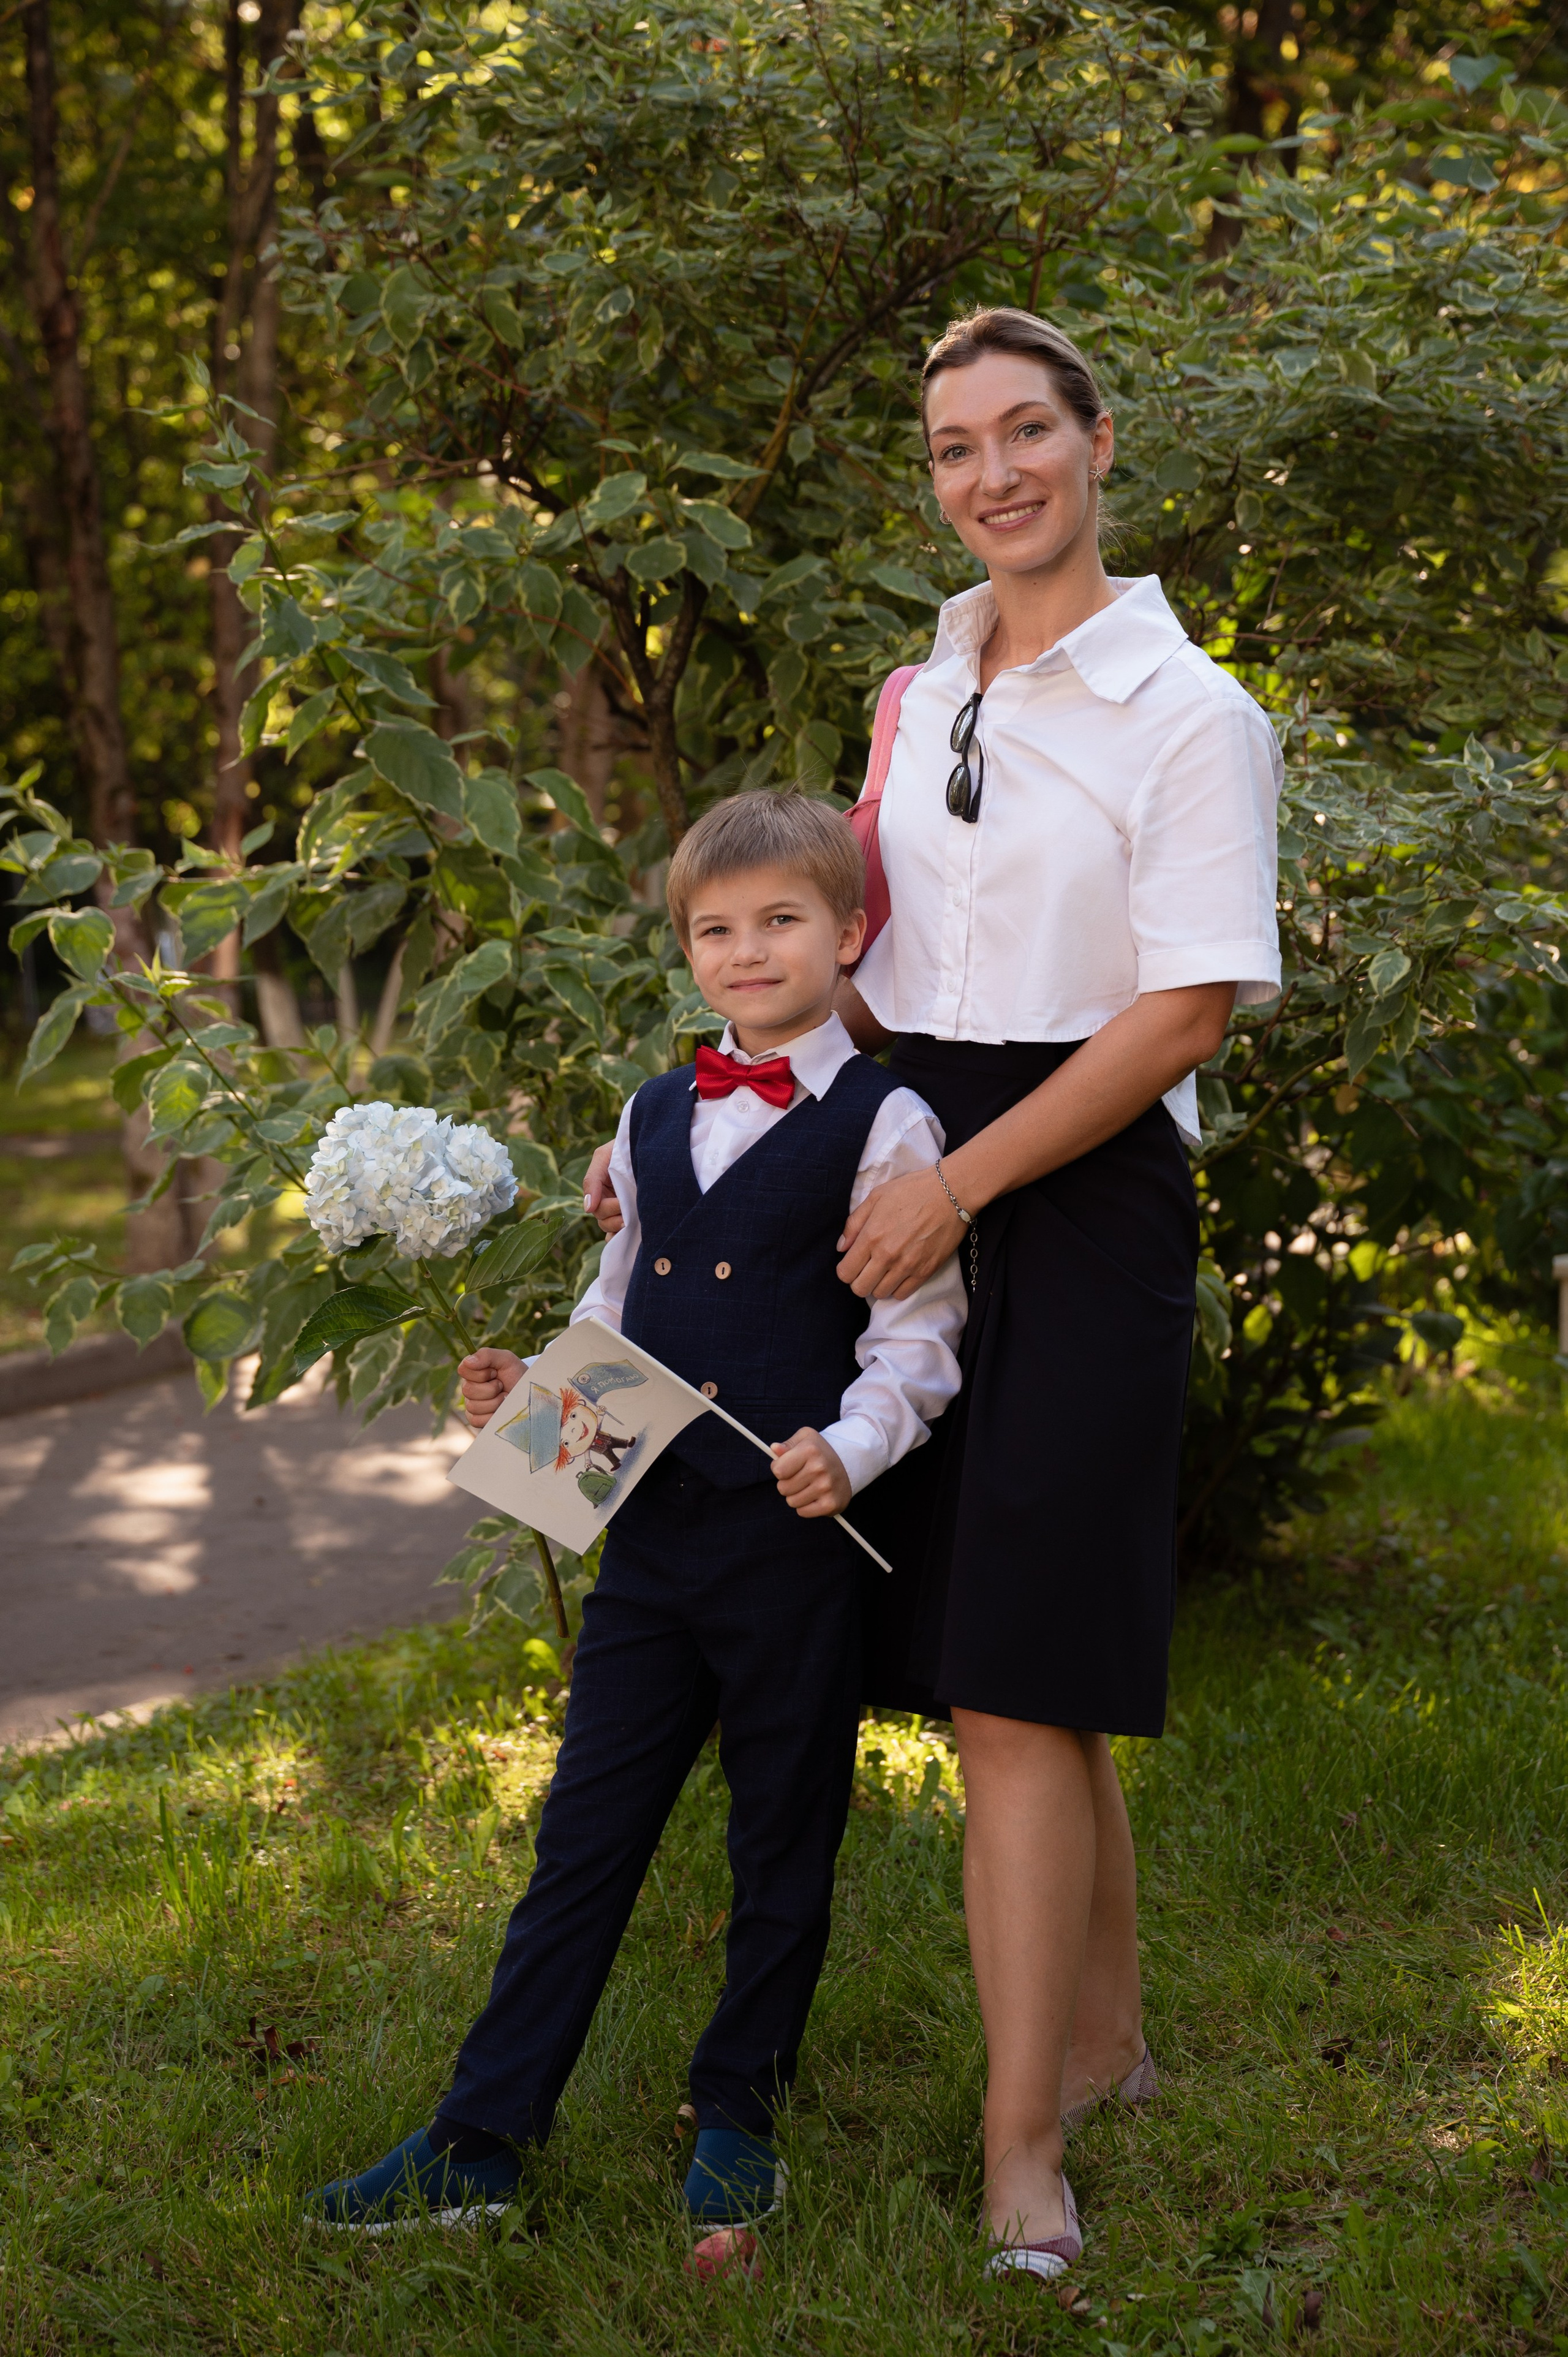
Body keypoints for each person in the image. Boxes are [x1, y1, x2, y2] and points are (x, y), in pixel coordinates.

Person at [586, 308, 1281, 2282]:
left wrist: (960, 1186)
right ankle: (1110, 2039)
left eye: (1029, 432)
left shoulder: (1186, 708)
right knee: (1020, 1672)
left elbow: (1188, 1006)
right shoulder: (918, 689)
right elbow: (856, 965)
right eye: (959, 445)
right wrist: (712, 1140)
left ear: (1097, 441)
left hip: (1075, 1186)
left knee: (1008, 1680)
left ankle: (1021, 2147)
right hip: (903, 1153)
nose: (996, 473)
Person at [306, 792, 965, 2256]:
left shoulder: (886, 1120)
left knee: (782, 1834)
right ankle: (480, 2136)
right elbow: (620, 1318)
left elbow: (913, 1339)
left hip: (792, 1547)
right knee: (581, 1835)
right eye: (714, 930)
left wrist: (849, 1454)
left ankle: (738, 2110)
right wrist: (524, 1395)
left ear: (847, 934)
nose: (746, 952)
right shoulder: (651, 1112)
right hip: (652, 1550)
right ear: (684, 947)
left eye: (780, 922)